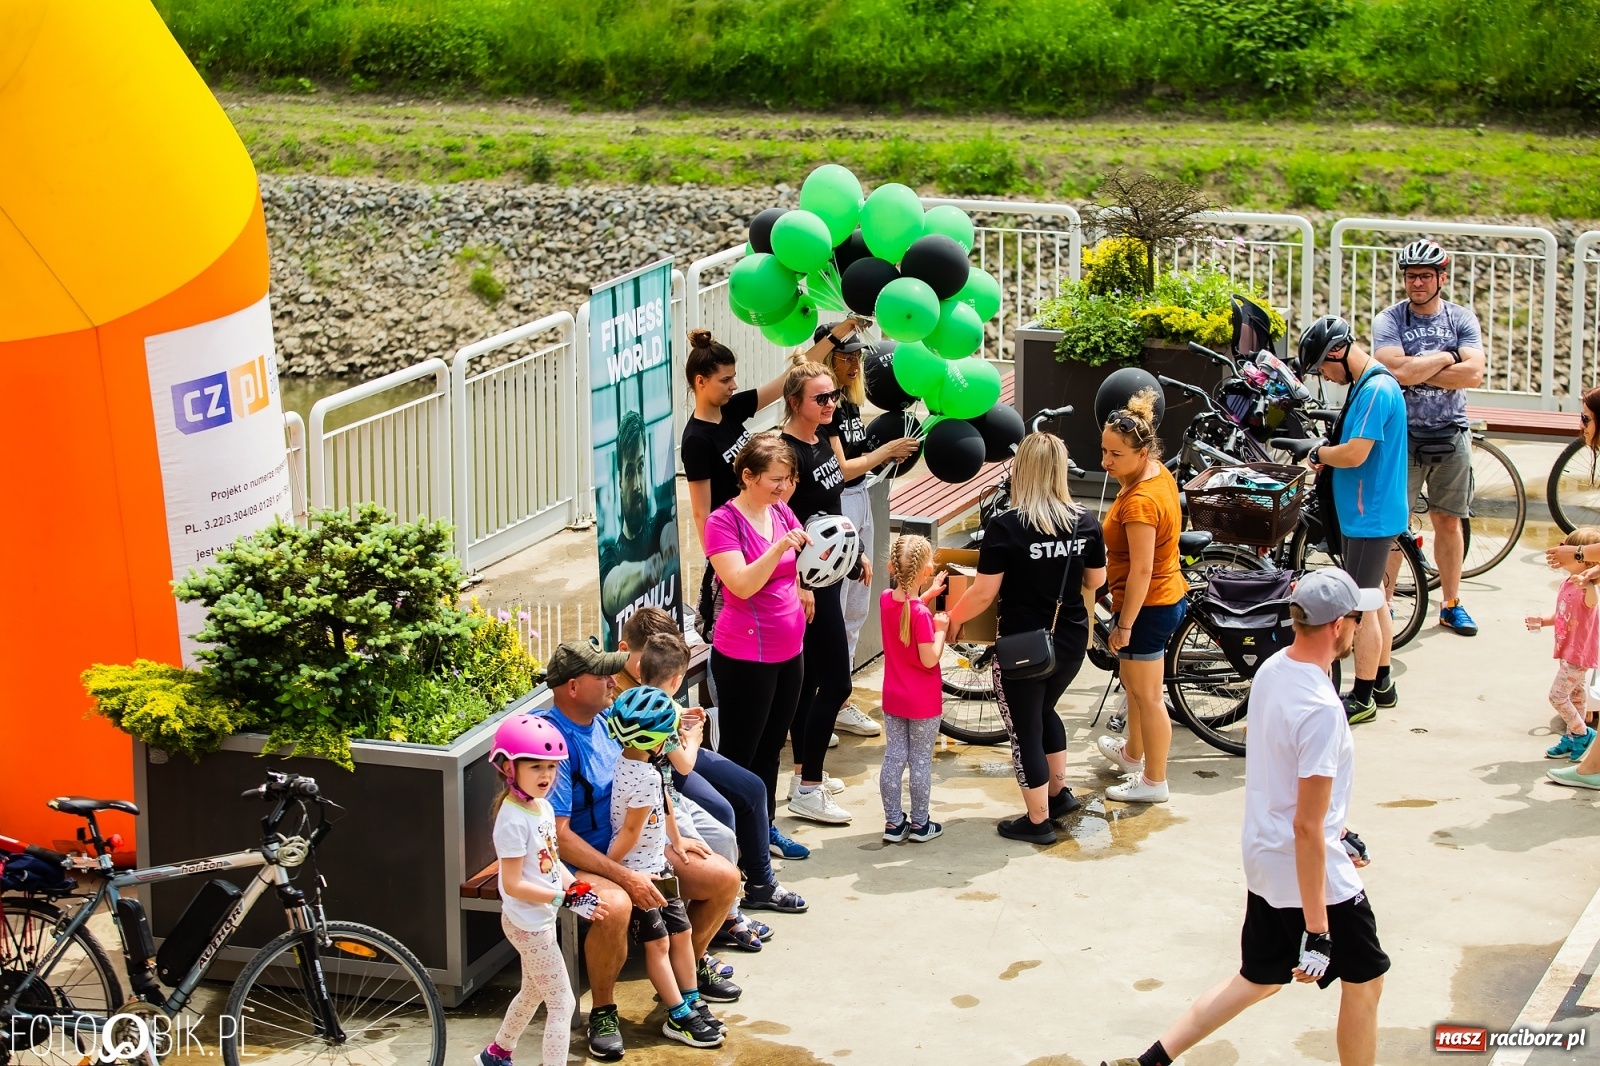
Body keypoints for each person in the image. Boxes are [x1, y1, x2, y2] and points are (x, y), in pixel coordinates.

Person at [1100, 570, 1390, 1066]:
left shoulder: (1276, 668)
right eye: (1358, 620)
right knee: (1366, 980)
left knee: (1259, 979)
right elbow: (1305, 825)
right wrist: (1318, 929)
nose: (1361, 628)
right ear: (1339, 626)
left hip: (1266, 853)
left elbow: (1287, 778)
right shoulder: (1322, 708)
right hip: (1309, 869)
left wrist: (1339, 829)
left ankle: (1146, 1063)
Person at [536, 641, 741, 1061]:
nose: (614, 681)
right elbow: (557, 836)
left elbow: (656, 773)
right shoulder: (552, 741)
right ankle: (604, 1011)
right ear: (573, 687)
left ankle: (687, 977)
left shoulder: (610, 717)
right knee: (612, 906)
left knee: (724, 879)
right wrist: (623, 875)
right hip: (573, 865)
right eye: (602, 676)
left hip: (636, 853)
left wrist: (673, 839)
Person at [946, 432, 1106, 844]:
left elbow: (983, 592)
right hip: (1070, 639)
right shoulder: (1086, 521)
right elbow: (1096, 580)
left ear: (1023, 472)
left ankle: (1038, 822)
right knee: (1046, 712)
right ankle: (1057, 795)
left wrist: (950, 619)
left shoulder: (1006, 526)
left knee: (1023, 730)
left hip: (1022, 647)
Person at [631, 626, 809, 951]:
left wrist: (682, 720)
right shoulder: (655, 709)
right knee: (721, 829)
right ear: (676, 680)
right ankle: (716, 924)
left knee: (745, 796)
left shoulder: (646, 701)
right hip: (662, 789)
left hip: (661, 791)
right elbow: (680, 764)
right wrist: (695, 737)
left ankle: (734, 906)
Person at [811, 320, 921, 740]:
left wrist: (883, 458)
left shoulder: (850, 403)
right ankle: (821, 698)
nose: (855, 363)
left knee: (857, 602)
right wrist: (885, 452)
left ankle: (839, 699)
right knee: (835, 606)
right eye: (844, 355)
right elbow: (840, 468)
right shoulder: (824, 407)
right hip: (840, 503)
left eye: (858, 355)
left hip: (861, 499)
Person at [475, 715, 606, 1066]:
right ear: (508, 767)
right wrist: (562, 898)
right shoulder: (512, 819)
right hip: (527, 924)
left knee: (533, 991)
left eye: (551, 766)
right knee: (563, 1004)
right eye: (535, 767)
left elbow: (551, 859)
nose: (546, 775)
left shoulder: (543, 807)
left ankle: (497, 1053)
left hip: (540, 918)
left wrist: (573, 884)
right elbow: (512, 884)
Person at [1371, 240, 1486, 637]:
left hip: (1451, 430)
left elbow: (1473, 375)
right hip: (1402, 435)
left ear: (1441, 278)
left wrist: (1416, 368)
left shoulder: (1461, 319)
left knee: (1449, 521)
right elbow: (1394, 371)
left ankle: (1451, 603)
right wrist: (1447, 357)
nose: (1416, 282)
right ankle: (1380, 606)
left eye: (1424, 275)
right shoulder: (1389, 319)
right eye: (1410, 275)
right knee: (1392, 526)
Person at [1298, 316, 1409, 725]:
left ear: (1338, 353)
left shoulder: (1376, 389)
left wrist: (1317, 453)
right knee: (1376, 599)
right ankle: (1381, 682)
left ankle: (1362, 697)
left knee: (1361, 606)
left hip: (1370, 513)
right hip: (1369, 510)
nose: (1323, 376)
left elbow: (1354, 454)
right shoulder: (1371, 383)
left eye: (1322, 368)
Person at [704, 434, 813, 849]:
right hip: (746, 656)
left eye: (788, 479)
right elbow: (741, 584)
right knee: (740, 755)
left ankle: (764, 828)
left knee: (771, 748)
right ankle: (734, 836)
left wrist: (811, 579)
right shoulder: (723, 522)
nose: (784, 488)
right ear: (747, 476)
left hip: (790, 650)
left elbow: (799, 559)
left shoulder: (780, 510)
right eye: (776, 480)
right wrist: (778, 547)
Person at [603, 686, 727, 1049]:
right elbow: (628, 832)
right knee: (658, 946)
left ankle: (691, 999)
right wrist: (610, 868)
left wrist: (676, 839)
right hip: (645, 876)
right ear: (654, 741)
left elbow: (666, 803)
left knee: (682, 934)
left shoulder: (642, 766)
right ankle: (678, 1013)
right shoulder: (641, 778)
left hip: (660, 866)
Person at [780, 361, 873, 825]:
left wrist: (853, 556)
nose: (831, 404)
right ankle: (809, 787)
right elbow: (781, 522)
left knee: (811, 681)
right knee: (837, 682)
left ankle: (803, 774)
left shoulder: (820, 441)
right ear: (795, 402)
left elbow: (830, 512)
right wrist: (797, 582)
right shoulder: (786, 452)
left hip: (829, 575)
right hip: (807, 586)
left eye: (833, 396)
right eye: (821, 398)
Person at [1096, 389, 1187, 805]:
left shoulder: (1141, 503)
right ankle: (1133, 754)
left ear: (1143, 451)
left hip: (1149, 606)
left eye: (1115, 454)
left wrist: (1124, 624)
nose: (1105, 462)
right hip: (1157, 600)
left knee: (1149, 697)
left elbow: (1143, 571)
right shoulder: (1154, 473)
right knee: (1133, 687)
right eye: (1104, 451)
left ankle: (1155, 780)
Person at [680, 329, 790, 637]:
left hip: (759, 527)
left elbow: (781, 385)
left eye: (734, 377)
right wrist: (719, 563)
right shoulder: (696, 440)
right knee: (737, 622)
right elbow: (702, 512)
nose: (734, 385)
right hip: (733, 541)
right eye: (725, 380)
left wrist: (835, 337)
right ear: (700, 381)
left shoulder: (730, 411)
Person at [877, 533, 949, 844]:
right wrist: (941, 630)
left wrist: (926, 596)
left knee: (894, 757)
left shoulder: (884, 600)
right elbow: (929, 658)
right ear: (925, 570)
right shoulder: (920, 615)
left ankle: (894, 823)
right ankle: (921, 824)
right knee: (920, 760)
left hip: (893, 696)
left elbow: (905, 607)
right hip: (923, 702)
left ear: (892, 567)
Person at [599, 408, 679, 648]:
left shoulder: (662, 521)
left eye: (641, 467)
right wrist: (645, 570)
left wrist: (669, 548)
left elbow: (668, 536)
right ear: (620, 480)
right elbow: (613, 590)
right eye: (631, 471)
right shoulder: (610, 555)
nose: (636, 484)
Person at [1526, 527, 1600, 763]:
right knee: (1576, 697)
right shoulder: (1567, 583)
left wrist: (1587, 583)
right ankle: (1572, 737)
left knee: (1557, 696)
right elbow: (1563, 615)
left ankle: (1583, 733)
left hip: (1579, 654)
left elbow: (1591, 601)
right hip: (1566, 649)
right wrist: (1543, 621)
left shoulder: (1588, 589)